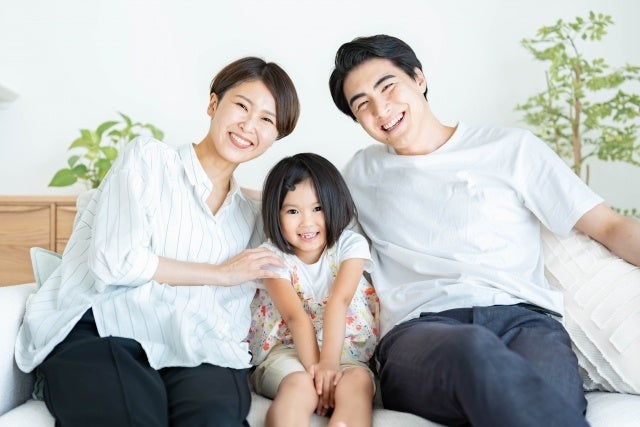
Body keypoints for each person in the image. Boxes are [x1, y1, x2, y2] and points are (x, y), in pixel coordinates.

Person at [328, 34, 640, 427]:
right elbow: (294, 203)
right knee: (473, 351)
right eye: (362, 105)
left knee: (550, 393)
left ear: (418, 78)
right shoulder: (359, 173)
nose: (380, 109)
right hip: (421, 332)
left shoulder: (511, 149)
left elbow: (609, 226)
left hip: (525, 324)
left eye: (387, 86)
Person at [14, 56, 300, 427]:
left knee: (215, 418)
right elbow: (116, 260)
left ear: (276, 136)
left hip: (196, 344)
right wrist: (220, 273)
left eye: (267, 119)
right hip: (104, 326)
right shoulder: (148, 160)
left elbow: (326, 225)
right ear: (213, 104)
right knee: (129, 416)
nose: (249, 125)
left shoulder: (252, 215)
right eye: (242, 106)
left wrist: (275, 198)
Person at [247, 153, 379, 427]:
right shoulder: (270, 257)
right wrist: (317, 374)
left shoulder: (350, 245)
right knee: (299, 385)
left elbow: (340, 301)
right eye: (292, 211)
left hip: (344, 351)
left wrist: (329, 364)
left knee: (357, 382)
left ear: (335, 205)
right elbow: (295, 317)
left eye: (317, 208)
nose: (307, 222)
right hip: (288, 352)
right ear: (275, 213)